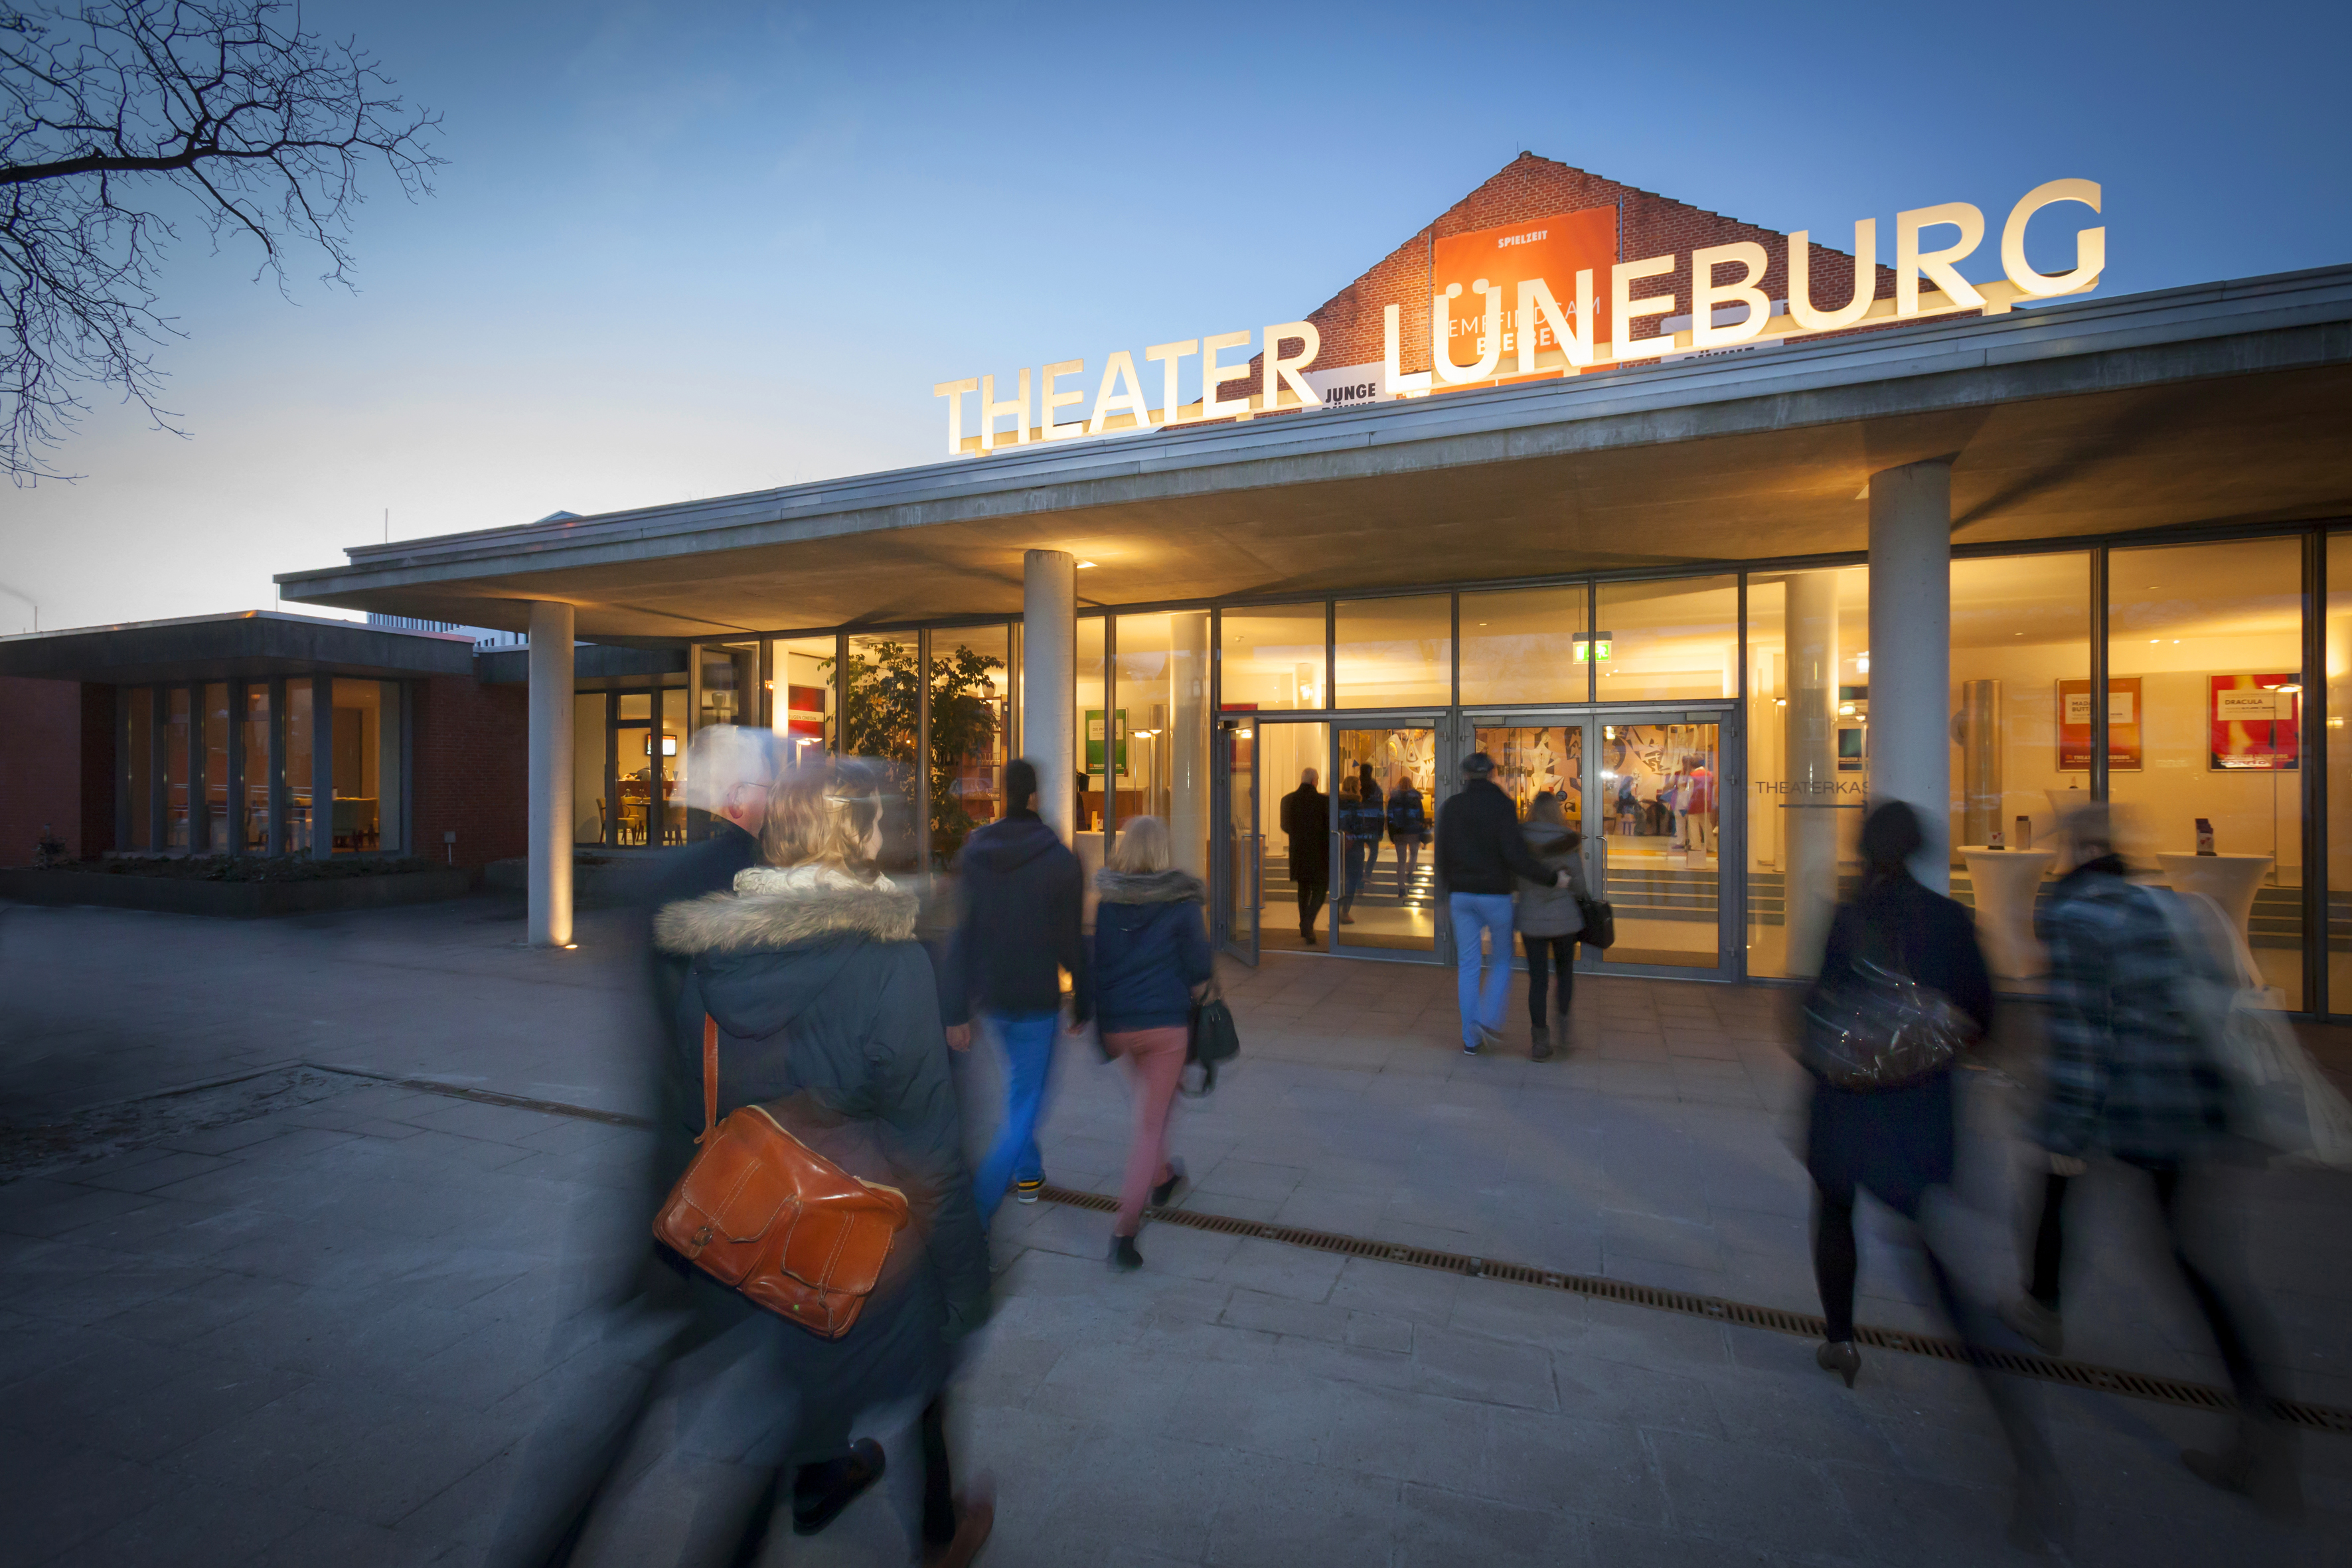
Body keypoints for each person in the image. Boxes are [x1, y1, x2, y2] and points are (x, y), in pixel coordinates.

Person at [532, 759, 994, 1568]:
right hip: (843, 1238)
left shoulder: (718, 944)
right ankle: (929, 1528)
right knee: (863, 1388)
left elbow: (695, 1096)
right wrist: (969, 1291)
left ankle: (847, 1494)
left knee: (777, 1420)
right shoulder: (891, 960)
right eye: (884, 820)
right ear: (863, 835)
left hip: (747, 1215)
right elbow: (931, 1149)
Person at [2008, 805, 2297, 1508]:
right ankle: (2043, 1303)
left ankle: (2044, 1308)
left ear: (2076, 853)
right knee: (2196, 1255)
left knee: (2065, 1184)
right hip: (2190, 1101)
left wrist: (2068, 1131)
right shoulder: (2159, 905)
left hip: (2134, 1105)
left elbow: (2082, 1036)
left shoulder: (2076, 917)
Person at [1802, 801, 2065, 1550]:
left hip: (1848, 1108)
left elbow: (1818, 1012)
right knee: (1937, 1266)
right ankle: (2018, 1429)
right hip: (1919, 1116)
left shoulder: (1848, 917)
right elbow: (1987, 1018)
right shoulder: (1951, 922)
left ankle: (1842, 1337)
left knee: (1832, 1209)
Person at [940, 757, 1091, 1219]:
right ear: (1034, 797)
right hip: (1035, 999)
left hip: (991, 996)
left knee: (1018, 1089)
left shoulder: (973, 854)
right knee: (1026, 1101)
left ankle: (1029, 1170)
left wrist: (954, 1010)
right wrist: (1083, 999)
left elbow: (960, 934)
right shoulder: (1060, 860)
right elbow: (1069, 940)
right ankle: (978, 1210)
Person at [1090, 816, 1214, 1271]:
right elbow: (1199, 969)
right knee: (1149, 1124)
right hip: (1164, 1027)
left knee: (1153, 1108)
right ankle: (1124, 1230)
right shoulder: (1181, 904)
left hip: (1120, 1027)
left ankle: (1162, 1177)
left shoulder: (1107, 905)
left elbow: (1096, 963)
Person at [1434, 752, 1569, 1056]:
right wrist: (1551, 879)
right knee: (1501, 959)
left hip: (1461, 896)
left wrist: (1440, 898)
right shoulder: (1503, 806)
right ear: (1493, 773)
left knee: (1468, 965)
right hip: (1496, 895)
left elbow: (1441, 857)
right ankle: (1488, 1018)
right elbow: (1515, 856)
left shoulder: (1451, 807)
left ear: (1465, 775)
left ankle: (1470, 1040)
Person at [1514, 791, 1587, 1061]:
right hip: (1564, 920)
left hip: (1531, 919)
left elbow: (1515, 879)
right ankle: (1565, 1030)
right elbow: (1579, 886)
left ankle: (1540, 1041)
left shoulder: (1520, 840)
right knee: (1565, 975)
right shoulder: (1566, 841)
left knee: (1538, 980)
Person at [1278, 767, 1330, 945]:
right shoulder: (1324, 801)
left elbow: (1285, 826)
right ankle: (1307, 923)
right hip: (1319, 853)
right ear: (1315, 781)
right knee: (1320, 889)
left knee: (1303, 889)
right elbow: (1329, 827)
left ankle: (1304, 926)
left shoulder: (1288, 800)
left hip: (1298, 852)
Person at [1336, 774, 1380, 925]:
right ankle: (1345, 912)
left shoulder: (1338, 803)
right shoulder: (1356, 804)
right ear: (1355, 786)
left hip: (1340, 844)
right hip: (1354, 846)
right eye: (1359, 784)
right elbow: (1358, 827)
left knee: (1342, 879)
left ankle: (1338, 910)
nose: (1361, 787)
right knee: (1353, 879)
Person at [1387, 771, 1429, 890]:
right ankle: (1410, 873)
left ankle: (1401, 888)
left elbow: (1390, 817)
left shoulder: (1393, 799)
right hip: (1414, 831)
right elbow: (1421, 815)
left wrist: (1392, 834)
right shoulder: (1416, 798)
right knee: (1414, 854)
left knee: (1401, 861)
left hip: (1399, 832)